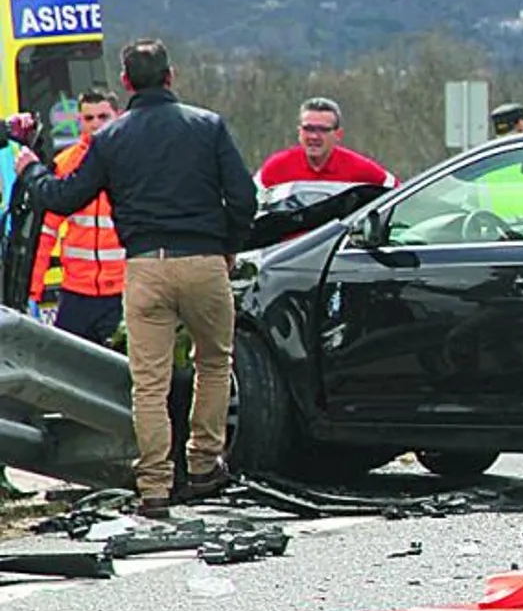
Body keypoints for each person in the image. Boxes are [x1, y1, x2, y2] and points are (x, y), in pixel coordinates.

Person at [15, 39, 256, 518]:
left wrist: (30, 169)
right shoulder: (208, 127)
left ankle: (154, 486)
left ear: (125, 84)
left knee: (149, 383)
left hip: (144, 268)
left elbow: (63, 198)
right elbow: (245, 199)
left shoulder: (111, 139)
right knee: (213, 363)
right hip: (205, 261)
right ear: (171, 76)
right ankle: (205, 465)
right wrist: (226, 247)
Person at [29, 90, 126, 344]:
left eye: (103, 117)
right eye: (89, 118)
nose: (95, 124)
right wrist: (33, 291)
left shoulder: (132, 162)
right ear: (80, 121)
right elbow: (46, 233)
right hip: (76, 293)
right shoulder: (65, 164)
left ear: (119, 117)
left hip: (122, 290)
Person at [255, 98, 397, 191]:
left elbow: (397, 192)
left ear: (338, 135)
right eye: (308, 129)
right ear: (299, 132)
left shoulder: (358, 168)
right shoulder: (277, 167)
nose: (314, 136)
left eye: (323, 130)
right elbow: (247, 200)